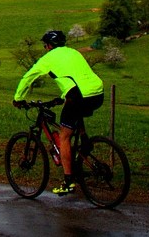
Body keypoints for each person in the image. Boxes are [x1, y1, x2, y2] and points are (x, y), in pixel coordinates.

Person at [12, 30, 105, 195]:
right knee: (74, 111)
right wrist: (63, 96)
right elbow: (75, 75)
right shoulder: (73, 52)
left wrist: (18, 98)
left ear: (48, 46)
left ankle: (68, 181)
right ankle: (85, 142)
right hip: (98, 92)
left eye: (45, 45)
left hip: (80, 95)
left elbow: (28, 77)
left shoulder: (48, 58)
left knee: (64, 136)